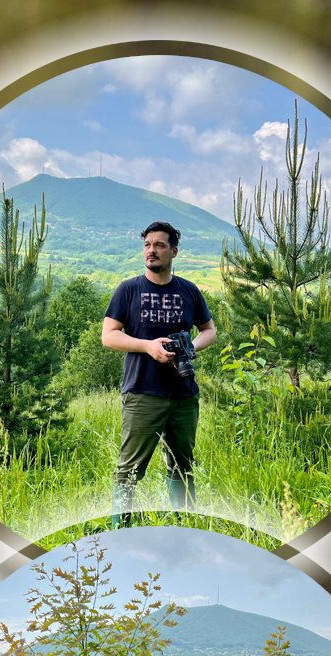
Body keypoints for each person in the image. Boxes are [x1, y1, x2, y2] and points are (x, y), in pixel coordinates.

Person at [100, 220, 217, 525]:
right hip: (142, 392)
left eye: (159, 245)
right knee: (129, 471)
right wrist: (148, 346)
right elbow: (109, 335)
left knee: (182, 467)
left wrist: (190, 346)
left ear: (174, 251)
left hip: (183, 394)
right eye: (147, 245)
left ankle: (185, 526)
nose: (151, 251)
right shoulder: (129, 289)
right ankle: (119, 532)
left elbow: (209, 331)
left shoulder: (189, 291)